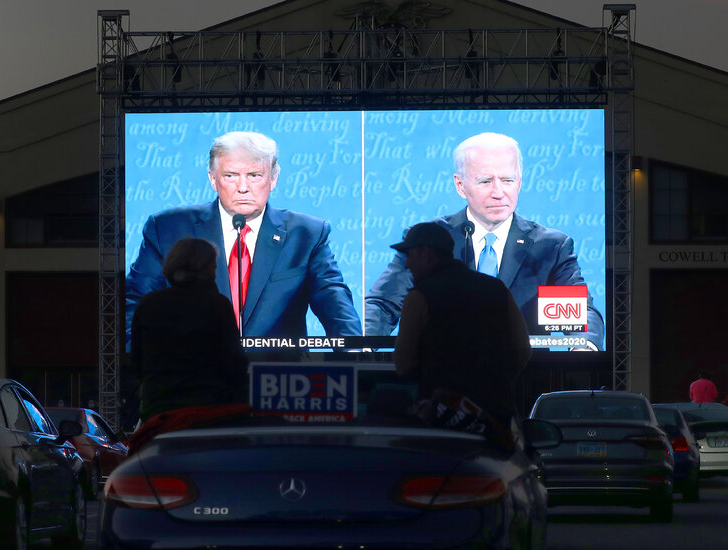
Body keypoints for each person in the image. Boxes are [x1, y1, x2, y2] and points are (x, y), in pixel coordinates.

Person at [365, 132, 604, 350]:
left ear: (520, 181)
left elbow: (580, 312)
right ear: (460, 185)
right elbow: (383, 303)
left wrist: (584, 347)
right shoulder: (431, 240)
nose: (498, 192)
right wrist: (360, 346)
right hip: (444, 380)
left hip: (523, 379)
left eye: (508, 180)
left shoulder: (550, 247)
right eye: (485, 181)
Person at [125, 131, 361, 342]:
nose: (243, 187)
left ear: (273, 178)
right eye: (230, 176)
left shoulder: (306, 234)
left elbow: (335, 303)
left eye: (255, 175)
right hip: (192, 379)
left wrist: (355, 356)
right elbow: (135, 305)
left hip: (279, 379)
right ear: (212, 179)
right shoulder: (167, 228)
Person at [391, 222, 531, 427]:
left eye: (409, 255)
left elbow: (404, 364)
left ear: (425, 254)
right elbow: (522, 350)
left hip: (444, 422)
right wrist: (495, 384)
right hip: (495, 417)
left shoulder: (420, 296)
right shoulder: (497, 289)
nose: (406, 264)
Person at [129, 238, 249, 422]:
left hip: (160, 413)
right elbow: (235, 364)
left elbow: (137, 363)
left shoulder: (148, 304)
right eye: (214, 266)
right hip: (209, 414)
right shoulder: (217, 305)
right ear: (208, 268)